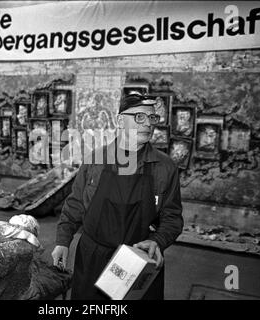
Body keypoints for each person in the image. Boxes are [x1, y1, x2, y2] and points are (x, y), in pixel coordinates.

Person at [52, 93, 183, 300]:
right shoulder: (96, 159)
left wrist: (158, 240)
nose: (148, 124)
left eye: (152, 118)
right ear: (120, 120)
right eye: (139, 117)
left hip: (138, 261)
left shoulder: (164, 167)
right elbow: (75, 204)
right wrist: (63, 240)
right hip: (93, 258)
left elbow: (172, 217)